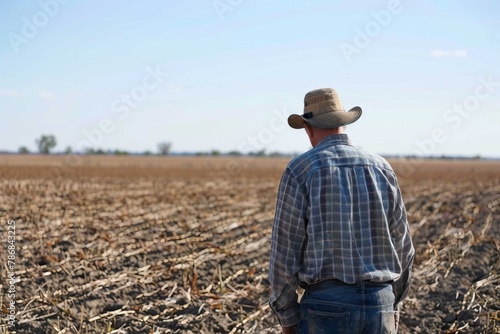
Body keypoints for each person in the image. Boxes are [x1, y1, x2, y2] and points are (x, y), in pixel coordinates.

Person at [269, 88, 415, 334]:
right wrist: (394, 304)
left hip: (325, 307)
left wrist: (288, 317)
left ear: (308, 128)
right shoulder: (382, 168)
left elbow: (284, 255)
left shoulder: (300, 169)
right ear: (343, 124)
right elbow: (404, 248)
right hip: (380, 304)